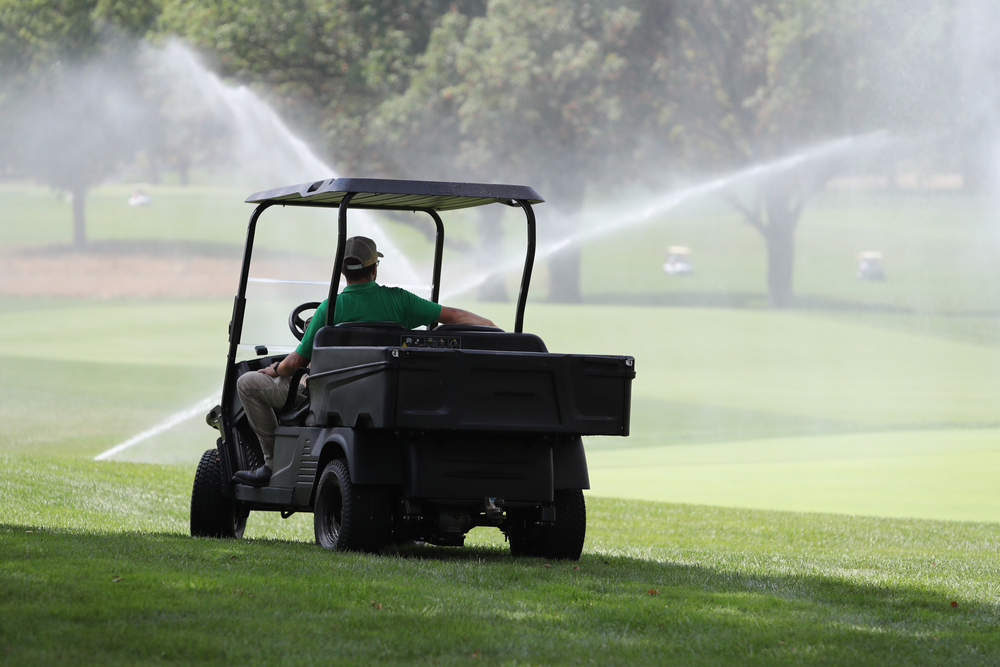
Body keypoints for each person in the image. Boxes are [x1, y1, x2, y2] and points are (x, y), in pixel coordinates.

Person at [234, 236, 496, 486]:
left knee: (247, 383)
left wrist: (274, 369)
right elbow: (453, 315)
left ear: (342, 272)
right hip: (387, 395)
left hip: (331, 397)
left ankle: (270, 466)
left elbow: (294, 363)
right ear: (374, 269)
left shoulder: (329, 308)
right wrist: (492, 327)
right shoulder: (399, 300)